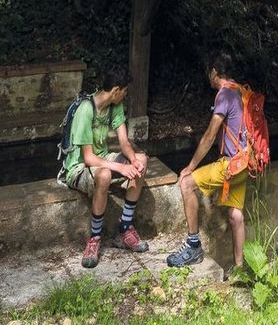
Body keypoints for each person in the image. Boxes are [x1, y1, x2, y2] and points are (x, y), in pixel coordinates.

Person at [58, 64, 150, 268]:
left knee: (142, 160)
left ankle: (125, 228)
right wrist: (121, 168)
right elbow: (88, 158)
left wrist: (133, 160)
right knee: (105, 175)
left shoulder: (114, 106)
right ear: (116, 90)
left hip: (102, 158)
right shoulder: (86, 109)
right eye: (124, 92)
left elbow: (125, 142)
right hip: (79, 168)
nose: (125, 96)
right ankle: (95, 238)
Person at [167, 52, 248, 269]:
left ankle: (193, 246)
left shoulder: (224, 95)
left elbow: (209, 136)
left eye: (208, 72)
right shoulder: (240, 90)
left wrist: (190, 167)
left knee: (187, 183)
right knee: (235, 215)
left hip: (231, 165)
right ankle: (239, 267)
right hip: (245, 163)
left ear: (214, 72)